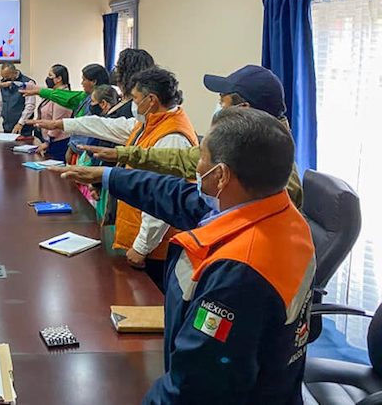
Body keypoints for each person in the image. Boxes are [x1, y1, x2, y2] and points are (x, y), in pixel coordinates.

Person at [51, 108, 315, 404]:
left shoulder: (239, 273)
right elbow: (175, 195)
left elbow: (194, 388)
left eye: (201, 156)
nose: (196, 165)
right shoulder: (277, 214)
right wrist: (109, 176)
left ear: (222, 175)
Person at [36, 68, 198, 287]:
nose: (132, 104)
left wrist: (142, 247)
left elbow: (161, 200)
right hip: (139, 238)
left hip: (157, 250)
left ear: (151, 100)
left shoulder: (172, 136)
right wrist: (64, 125)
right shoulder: (149, 123)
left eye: (135, 98)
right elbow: (108, 126)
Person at [79, 65, 303, 208]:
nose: (218, 106)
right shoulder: (243, 141)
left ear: (243, 109)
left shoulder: (276, 174)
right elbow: (184, 159)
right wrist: (121, 154)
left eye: (222, 99)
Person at [20, 63, 110, 163]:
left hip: (85, 150)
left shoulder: (96, 102)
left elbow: (85, 128)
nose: (81, 83)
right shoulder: (86, 96)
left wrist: (69, 145)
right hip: (77, 148)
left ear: (94, 82)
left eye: (84, 79)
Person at [0, 62, 36, 136]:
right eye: (3, 77)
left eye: (7, 76)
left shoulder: (28, 83)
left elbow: (30, 106)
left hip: (23, 128)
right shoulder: (2, 83)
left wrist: (20, 123)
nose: (5, 79)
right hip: (7, 127)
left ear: (14, 72)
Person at [33, 64, 73, 160]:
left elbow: (57, 124)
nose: (48, 78)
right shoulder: (54, 93)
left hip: (57, 142)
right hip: (48, 140)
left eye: (50, 76)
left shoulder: (62, 96)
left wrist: (47, 143)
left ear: (59, 78)